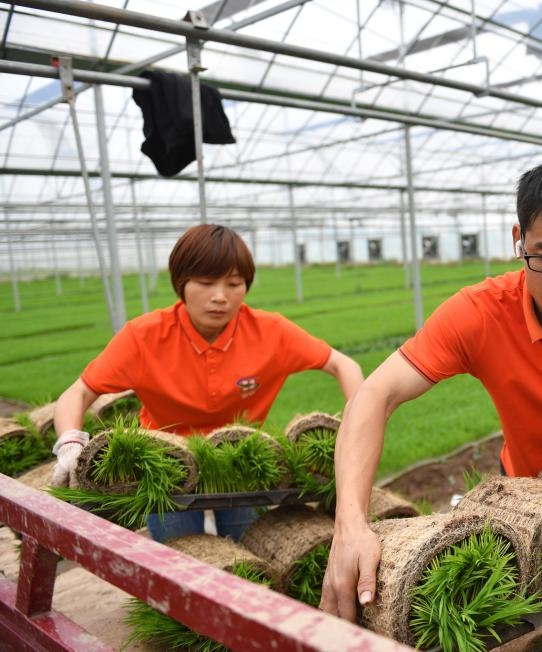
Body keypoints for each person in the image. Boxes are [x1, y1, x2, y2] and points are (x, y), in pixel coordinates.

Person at [320, 154, 542, 621]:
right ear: (518, 242)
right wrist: (350, 523)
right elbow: (375, 395)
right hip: (524, 501)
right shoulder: (479, 314)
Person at [50, 223, 363, 542]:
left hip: (240, 460)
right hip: (165, 464)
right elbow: (80, 391)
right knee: (176, 557)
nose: (220, 297)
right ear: (181, 283)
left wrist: (358, 426)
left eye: (234, 284)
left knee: (251, 554)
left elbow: (342, 364)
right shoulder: (143, 337)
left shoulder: (270, 333)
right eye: (206, 282)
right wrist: (70, 443)